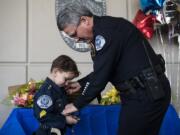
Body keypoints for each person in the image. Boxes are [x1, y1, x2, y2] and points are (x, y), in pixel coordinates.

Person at [56, 4, 171, 135]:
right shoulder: (104, 29)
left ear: (84, 20)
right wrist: (81, 84)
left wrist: (76, 104)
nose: (76, 39)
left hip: (146, 93)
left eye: (74, 33)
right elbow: (106, 69)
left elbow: (101, 76)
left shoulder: (106, 33)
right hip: (141, 93)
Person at [33, 55, 80, 135]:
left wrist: (69, 116)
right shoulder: (45, 92)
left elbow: (59, 110)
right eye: (66, 79)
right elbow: (42, 116)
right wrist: (65, 120)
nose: (67, 83)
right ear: (55, 72)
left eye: (69, 80)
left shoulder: (59, 88)